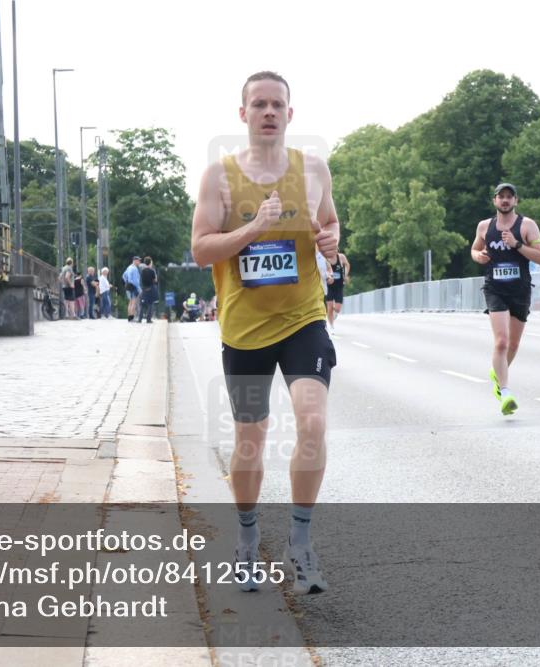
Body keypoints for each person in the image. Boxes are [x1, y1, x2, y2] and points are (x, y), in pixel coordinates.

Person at [190, 71, 340, 594]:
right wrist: (253, 229)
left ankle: (300, 548)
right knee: (250, 442)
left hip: (303, 318)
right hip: (244, 327)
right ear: (244, 114)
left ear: (291, 114)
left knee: (313, 421)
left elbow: (331, 223)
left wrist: (330, 246)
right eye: (260, 104)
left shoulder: (315, 169)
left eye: (278, 104)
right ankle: (247, 543)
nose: (269, 111)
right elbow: (202, 249)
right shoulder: (221, 178)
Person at [470, 183, 540, 416]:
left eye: (509, 197)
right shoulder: (484, 226)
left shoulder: (527, 225)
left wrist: (517, 245)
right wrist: (479, 256)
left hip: (520, 289)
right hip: (495, 289)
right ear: (494, 201)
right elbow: (474, 250)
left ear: (516, 201)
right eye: (500, 197)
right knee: (501, 342)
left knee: (513, 344)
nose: (505, 200)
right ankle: (505, 392)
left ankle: (497, 373)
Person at [326, 252, 350, 329]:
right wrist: (328, 276)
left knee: (337, 309)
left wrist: (345, 275)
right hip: (329, 286)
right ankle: (331, 325)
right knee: (329, 307)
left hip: (339, 286)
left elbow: (347, 265)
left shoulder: (341, 257)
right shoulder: (325, 258)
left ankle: (332, 317)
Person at [122, 256, 142, 322]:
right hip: (133, 287)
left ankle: (129, 317)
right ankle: (131, 317)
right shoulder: (134, 268)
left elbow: (124, 276)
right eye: (138, 260)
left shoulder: (129, 267)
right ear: (135, 260)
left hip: (128, 286)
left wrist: (126, 282)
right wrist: (138, 288)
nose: (139, 262)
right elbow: (135, 280)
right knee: (133, 302)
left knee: (130, 302)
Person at [138, 256, 158, 323]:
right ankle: (148, 319)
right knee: (150, 304)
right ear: (150, 263)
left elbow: (141, 280)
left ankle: (139, 319)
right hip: (151, 289)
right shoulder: (152, 271)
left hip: (144, 289)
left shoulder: (142, 271)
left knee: (142, 304)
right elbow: (155, 280)